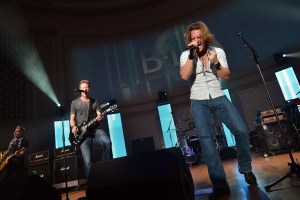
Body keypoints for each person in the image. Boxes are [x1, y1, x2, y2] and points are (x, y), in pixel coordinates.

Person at [179, 21, 257, 199]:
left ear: (205, 36)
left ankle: (245, 169)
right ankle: (220, 185)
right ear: (189, 40)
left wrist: (216, 63)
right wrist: (191, 56)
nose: (197, 40)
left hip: (218, 95)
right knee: (206, 141)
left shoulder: (217, 52)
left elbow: (226, 75)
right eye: (193, 38)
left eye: (199, 37)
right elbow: (184, 76)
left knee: (241, 130)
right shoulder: (186, 55)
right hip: (198, 99)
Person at [70, 80, 112, 180]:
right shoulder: (75, 103)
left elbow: (99, 114)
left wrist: (100, 117)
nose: (85, 89)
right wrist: (73, 127)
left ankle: (107, 167)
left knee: (107, 142)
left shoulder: (95, 101)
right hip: (83, 134)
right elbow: (72, 119)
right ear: (80, 89)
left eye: (87, 87)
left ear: (89, 89)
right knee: (88, 161)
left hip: (96, 130)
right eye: (83, 87)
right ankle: (91, 184)